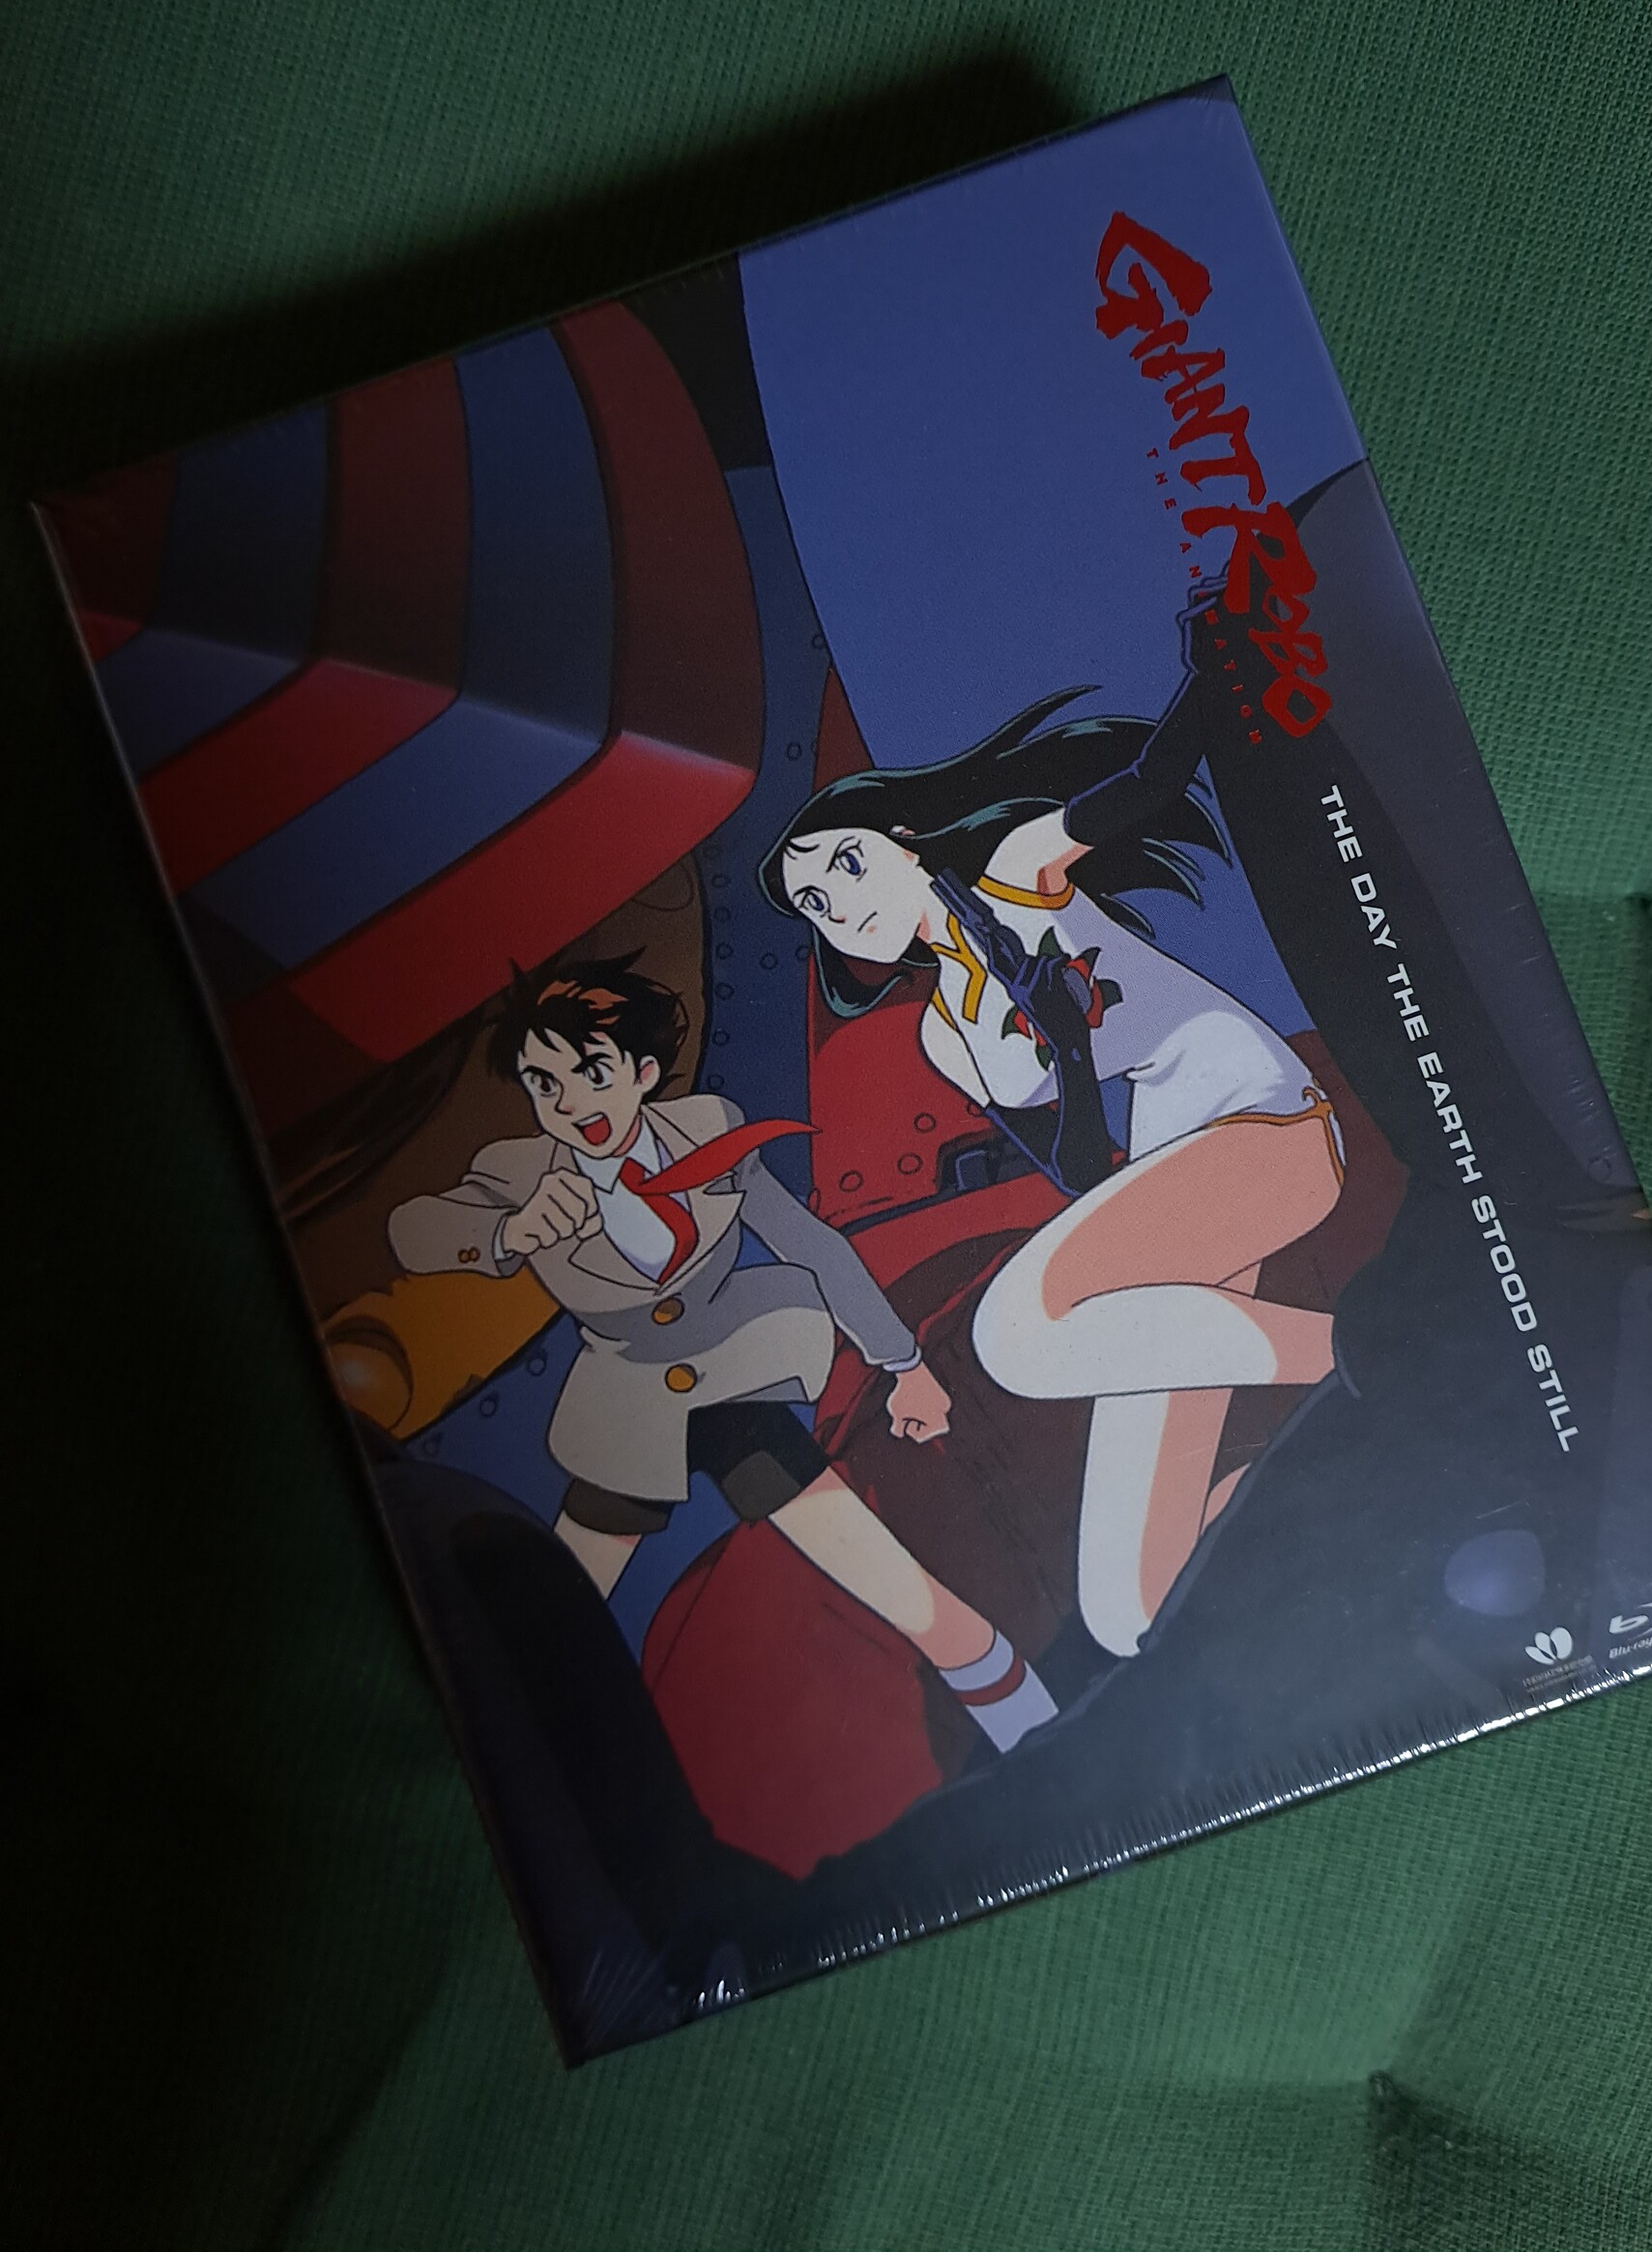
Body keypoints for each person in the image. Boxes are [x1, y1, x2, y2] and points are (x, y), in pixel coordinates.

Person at [760, 682, 1344, 1659]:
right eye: (815, 905)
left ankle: (1356, 1352)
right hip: (1180, 1190)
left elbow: (1151, 780)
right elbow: (1078, 1168)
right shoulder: (946, 1035)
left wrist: (1214, 663)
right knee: (1130, 1606)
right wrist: (1068, 1046)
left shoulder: (1014, 878)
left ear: (906, 840)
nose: (840, 908)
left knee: (1017, 1332)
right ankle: (1352, 1478)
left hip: (1262, 1123)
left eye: (847, 864)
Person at [389, 957, 1056, 1751]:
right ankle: (515, 1747)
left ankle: (1007, 1693)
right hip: (627, 1410)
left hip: (741, 1377)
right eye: (542, 1083)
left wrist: (903, 1365)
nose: (566, 1103)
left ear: (642, 1073)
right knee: (554, 1615)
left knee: (883, 1571)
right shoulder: (520, 1173)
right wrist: (508, 1231)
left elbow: (811, 1246)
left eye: (590, 1072)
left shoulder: (708, 1129)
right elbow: (412, 1232)